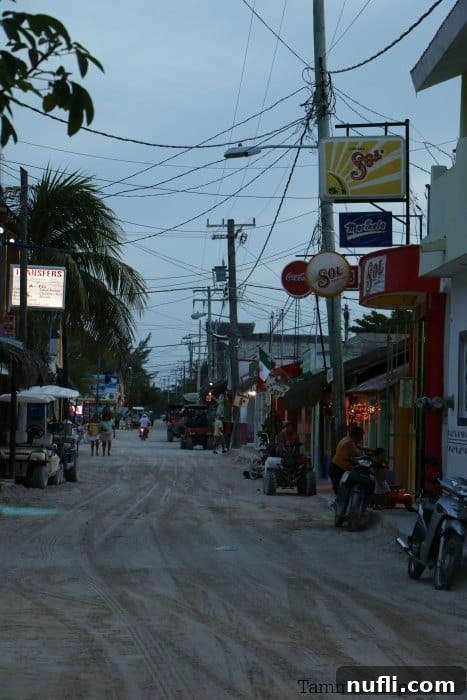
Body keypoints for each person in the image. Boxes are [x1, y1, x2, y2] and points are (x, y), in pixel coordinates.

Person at [329, 425, 364, 495]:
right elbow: (355, 455)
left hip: (339, 469)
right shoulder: (348, 443)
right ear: (355, 436)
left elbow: (357, 448)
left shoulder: (347, 439)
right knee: (341, 492)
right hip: (338, 470)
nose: (361, 439)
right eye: (360, 437)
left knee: (344, 491)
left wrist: (364, 449)